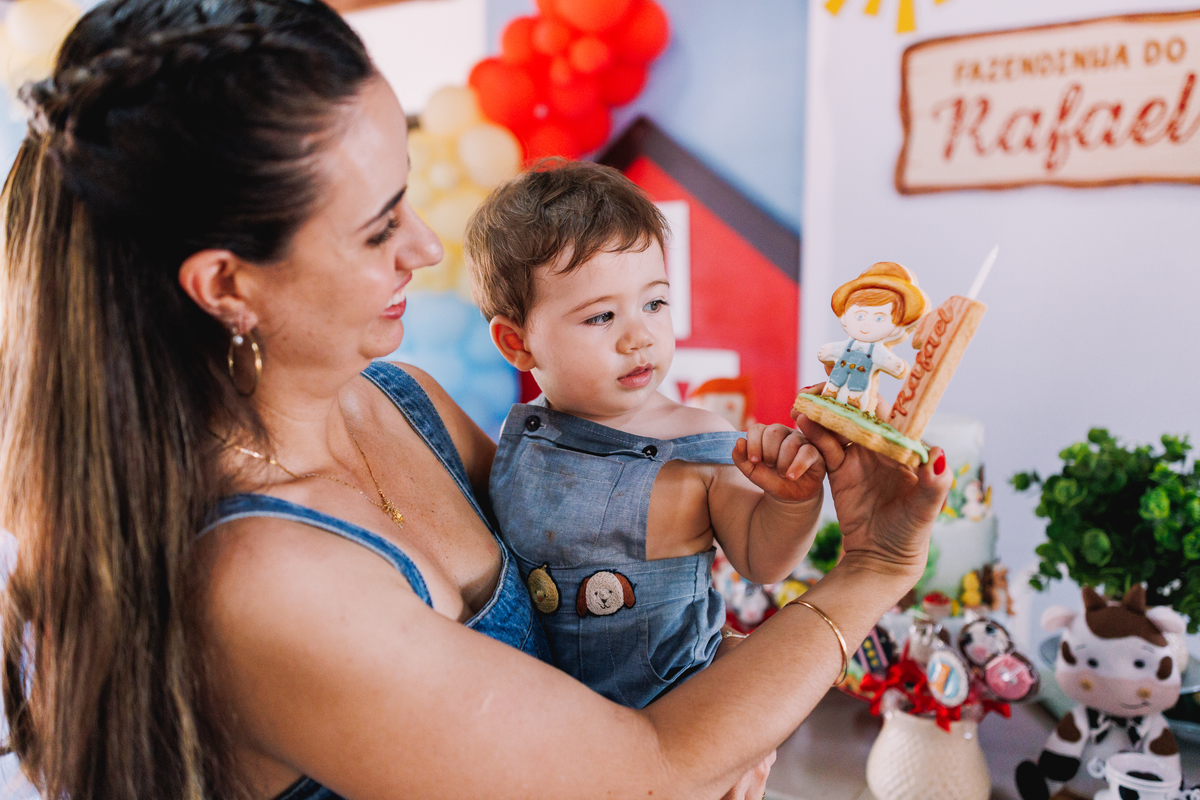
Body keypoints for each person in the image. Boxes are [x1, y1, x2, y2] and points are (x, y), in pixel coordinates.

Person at [0, 1, 953, 798]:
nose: (423, 246)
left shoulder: (404, 400)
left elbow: (620, 587)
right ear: (226, 285)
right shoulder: (265, 579)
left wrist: (735, 680)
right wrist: (870, 567)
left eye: (408, 198)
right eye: (378, 230)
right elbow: (648, 771)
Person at [465, 162, 825, 710]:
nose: (640, 337)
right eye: (601, 317)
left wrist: (793, 503)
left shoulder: (699, 436)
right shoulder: (523, 437)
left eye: (654, 303)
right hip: (547, 710)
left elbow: (761, 559)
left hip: (676, 706)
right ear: (518, 344)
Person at [817, 262, 930, 415]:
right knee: (835, 379)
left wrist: (894, 365)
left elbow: (884, 358)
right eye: (860, 316)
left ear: (898, 327)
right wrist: (829, 350)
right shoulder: (849, 343)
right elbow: (838, 349)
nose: (866, 324)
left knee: (859, 385)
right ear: (845, 316)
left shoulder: (877, 349)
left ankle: (855, 400)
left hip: (862, 372)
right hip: (841, 368)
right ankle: (830, 392)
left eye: (879, 318)